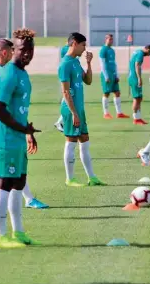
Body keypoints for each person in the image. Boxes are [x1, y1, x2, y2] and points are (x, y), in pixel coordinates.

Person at [0, 28, 41, 248]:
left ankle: (19, 232)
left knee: (18, 183)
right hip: (6, 139)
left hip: (18, 137)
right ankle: (1, 235)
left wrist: (27, 131)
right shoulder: (10, 73)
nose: (27, 53)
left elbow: (19, 109)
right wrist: (21, 129)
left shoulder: (23, 74)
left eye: (30, 49)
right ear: (13, 51)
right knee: (4, 183)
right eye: (22, 49)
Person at [0, 39, 48, 209]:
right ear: (4, 52)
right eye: (12, 51)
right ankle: (26, 199)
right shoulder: (5, 72)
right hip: (6, 124)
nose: (14, 55)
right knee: (14, 167)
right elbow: (8, 104)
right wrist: (26, 130)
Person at [59, 32, 106, 187]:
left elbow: (88, 80)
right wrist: (73, 113)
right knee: (71, 142)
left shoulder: (76, 62)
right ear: (74, 43)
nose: (84, 48)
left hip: (80, 109)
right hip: (70, 110)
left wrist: (89, 63)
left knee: (84, 143)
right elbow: (65, 91)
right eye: (83, 45)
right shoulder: (65, 64)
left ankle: (91, 177)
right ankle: (69, 179)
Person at [99, 34, 129, 119]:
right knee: (106, 93)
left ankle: (119, 113)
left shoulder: (112, 50)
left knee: (117, 92)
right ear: (106, 40)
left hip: (113, 74)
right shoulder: (103, 50)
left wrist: (117, 74)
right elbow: (102, 64)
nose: (111, 41)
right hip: (107, 74)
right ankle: (106, 113)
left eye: (112, 40)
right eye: (110, 39)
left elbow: (114, 63)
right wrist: (106, 76)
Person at [128, 44, 150, 125]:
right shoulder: (140, 54)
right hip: (134, 78)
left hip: (132, 77)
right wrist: (139, 78)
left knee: (139, 97)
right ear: (148, 49)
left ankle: (138, 117)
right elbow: (137, 65)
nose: (149, 55)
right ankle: (136, 119)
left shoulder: (137, 52)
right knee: (137, 98)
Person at [54, 42, 70, 132]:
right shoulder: (66, 49)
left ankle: (61, 121)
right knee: (69, 98)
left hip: (68, 75)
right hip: (67, 75)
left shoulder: (66, 48)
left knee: (69, 98)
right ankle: (59, 122)